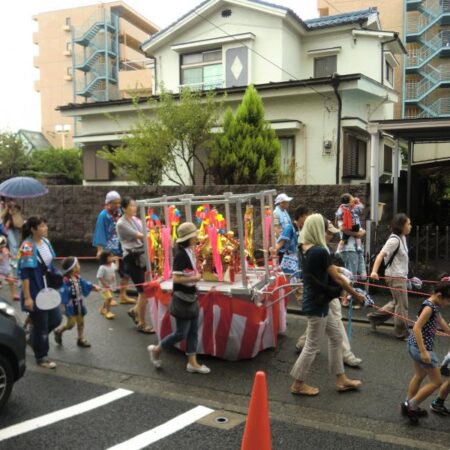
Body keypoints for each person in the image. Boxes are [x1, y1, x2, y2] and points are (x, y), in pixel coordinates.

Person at [290, 214, 365, 396]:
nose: (326, 232)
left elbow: (327, 271)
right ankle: (298, 384)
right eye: (324, 228)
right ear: (318, 229)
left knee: (337, 336)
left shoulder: (304, 247)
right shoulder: (319, 251)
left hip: (315, 300)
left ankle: (341, 379)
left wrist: (340, 275)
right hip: (318, 303)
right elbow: (337, 277)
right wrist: (356, 294)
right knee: (312, 345)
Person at [148, 222, 210, 374]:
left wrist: (193, 277)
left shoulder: (188, 251)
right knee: (182, 333)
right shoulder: (182, 255)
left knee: (193, 330)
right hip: (183, 298)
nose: (197, 237)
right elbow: (175, 278)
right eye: (194, 235)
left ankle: (192, 363)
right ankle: (157, 349)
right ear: (188, 238)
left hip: (189, 296)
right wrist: (194, 277)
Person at [402, 281, 450, 423]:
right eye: (448, 301)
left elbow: (441, 323)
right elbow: (416, 328)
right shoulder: (430, 308)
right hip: (421, 348)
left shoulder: (433, 305)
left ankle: (408, 402)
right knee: (436, 382)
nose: (448, 304)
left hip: (412, 345)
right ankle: (411, 406)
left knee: (419, 374)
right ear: (440, 296)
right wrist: (424, 352)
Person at [18, 216, 62, 369]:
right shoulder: (27, 247)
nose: (46, 228)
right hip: (35, 291)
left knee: (56, 319)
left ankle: (34, 338)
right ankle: (41, 357)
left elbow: (51, 265)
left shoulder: (47, 242)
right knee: (42, 326)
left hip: (48, 289)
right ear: (33, 229)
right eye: (42, 226)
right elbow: (24, 274)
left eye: (45, 225)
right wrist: (28, 298)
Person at [368, 213, 412, 339]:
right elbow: (380, 255)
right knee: (402, 305)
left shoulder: (402, 238)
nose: (410, 226)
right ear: (402, 226)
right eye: (408, 224)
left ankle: (374, 318)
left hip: (400, 276)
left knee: (397, 302)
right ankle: (401, 332)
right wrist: (374, 272)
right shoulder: (394, 240)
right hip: (395, 277)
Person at [117, 196, 154, 334]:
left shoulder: (136, 219)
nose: (134, 208)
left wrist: (152, 233)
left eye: (135, 205)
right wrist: (154, 235)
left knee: (142, 291)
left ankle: (134, 311)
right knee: (143, 291)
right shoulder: (121, 223)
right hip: (132, 259)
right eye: (131, 206)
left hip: (142, 256)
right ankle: (142, 323)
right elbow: (141, 235)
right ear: (124, 208)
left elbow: (146, 232)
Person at [93, 191, 135, 306]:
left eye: (118, 202)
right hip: (109, 250)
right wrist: (100, 250)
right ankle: (108, 299)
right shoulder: (103, 215)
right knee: (107, 276)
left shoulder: (121, 212)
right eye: (114, 203)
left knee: (126, 272)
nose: (117, 205)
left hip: (122, 246)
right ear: (108, 203)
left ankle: (122, 295)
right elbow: (100, 232)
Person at [54, 257, 100, 348]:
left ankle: (81, 339)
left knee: (81, 322)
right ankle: (59, 331)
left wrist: (93, 287)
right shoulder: (65, 281)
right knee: (71, 324)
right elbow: (63, 292)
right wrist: (63, 305)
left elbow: (86, 284)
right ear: (73, 268)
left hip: (79, 304)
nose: (79, 266)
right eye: (77, 265)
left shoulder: (78, 278)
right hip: (69, 306)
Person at [335, 194, 367, 285]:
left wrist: (361, 233)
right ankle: (350, 296)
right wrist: (358, 233)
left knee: (355, 274)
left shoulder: (353, 210)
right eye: (352, 198)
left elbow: (361, 208)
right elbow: (343, 229)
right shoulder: (342, 212)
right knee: (351, 276)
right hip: (349, 248)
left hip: (354, 247)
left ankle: (362, 276)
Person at [273, 206, 310, 282]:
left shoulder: (302, 228)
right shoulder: (290, 228)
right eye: (306, 216)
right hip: (290, 261)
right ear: (300, 216)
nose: (307, 218)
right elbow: (279, 244)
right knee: (292, 287)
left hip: (299, 261)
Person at [97, 250, 117, 320]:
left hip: (110, 285)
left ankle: (102, 309)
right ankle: (108, 312)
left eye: (112, 256)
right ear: (104, 258)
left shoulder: (112, 265)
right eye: (110, 257)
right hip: (104, 286)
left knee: (108, 298)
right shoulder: (102, 267)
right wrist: (105, 285)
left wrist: (117, 260)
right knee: (109, 298)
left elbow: (117, 268)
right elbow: (99, 277)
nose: (112, 258)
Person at [0, 236, 19, 301]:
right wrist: (3, 255)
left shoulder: (6, 249)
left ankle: (14, 295)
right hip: (1, 271)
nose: (2, 248)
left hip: (8, 269)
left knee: (11, 283)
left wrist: (15, 257)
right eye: (1, 247)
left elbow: (11, 256)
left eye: (3, 246)